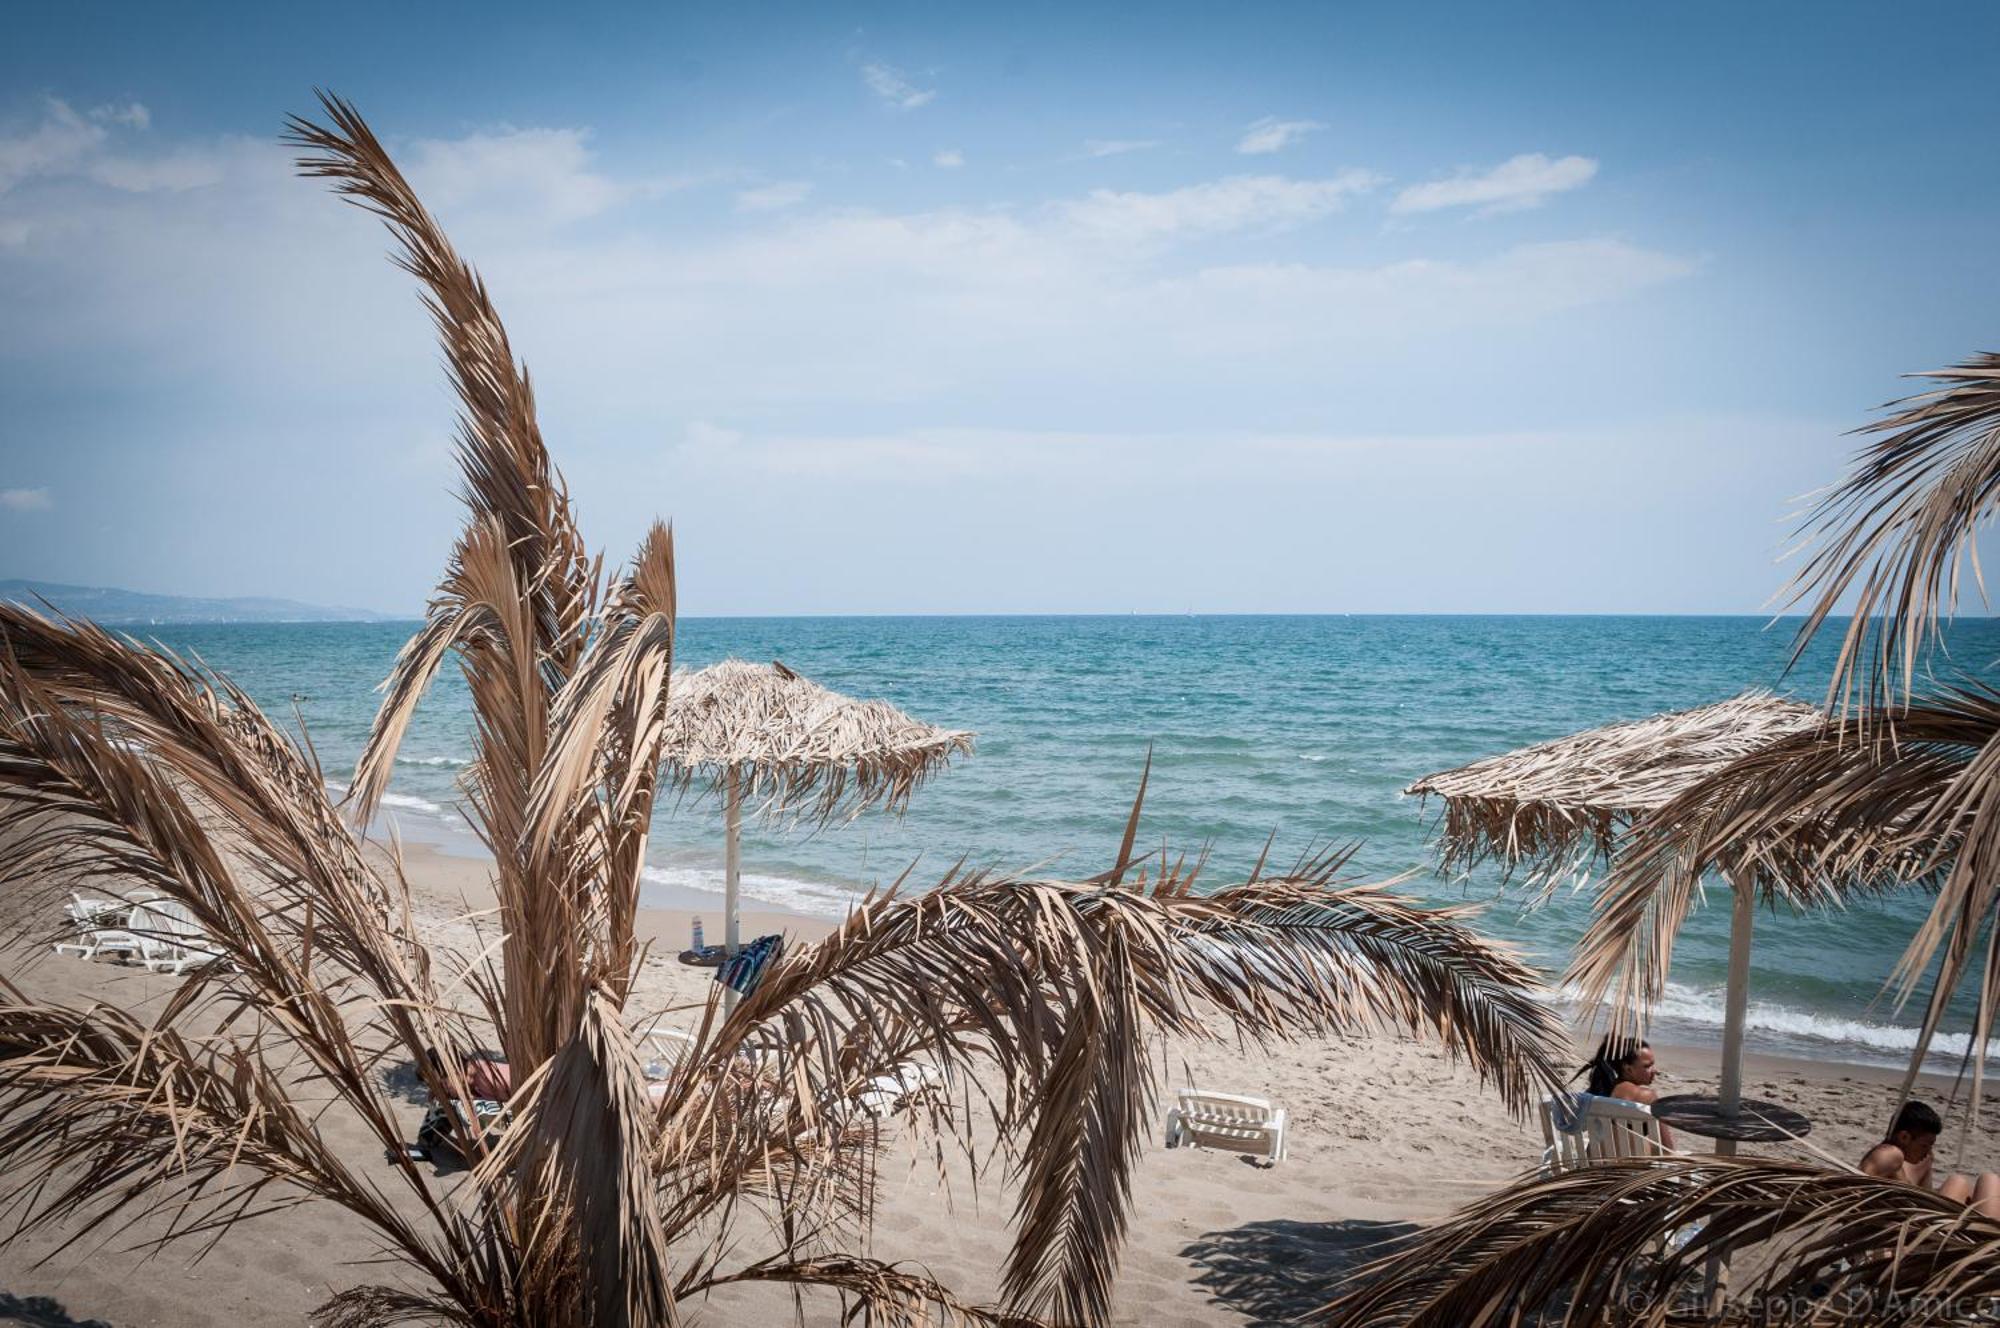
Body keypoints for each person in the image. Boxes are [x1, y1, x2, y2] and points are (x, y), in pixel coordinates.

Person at [1859, 1099, 2000, 1218]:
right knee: (1989, 1179)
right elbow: (1855, 1194)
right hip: (1919, 1233)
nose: (1928, 1152)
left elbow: (1928, 1197)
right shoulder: (1890, 1153)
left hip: (1925, 1220)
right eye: (1924, 1145)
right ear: (1904, 1137)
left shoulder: (1917, 1160)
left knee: (1958, 1180)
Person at [1578, 1035, 1673, 1148]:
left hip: (1592, 1162)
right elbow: (1667, 1147)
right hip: (1627, 1165)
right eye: (1647, 1066)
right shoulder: (1648, 1096)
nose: (1655, 1071)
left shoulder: (1598, 1092)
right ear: (1628, 1069)